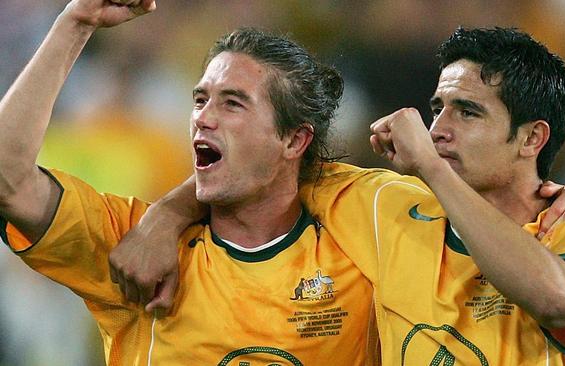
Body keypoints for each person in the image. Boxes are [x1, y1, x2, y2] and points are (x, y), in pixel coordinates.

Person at [107, 27, 565, 366]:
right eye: (439, 108)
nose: (439, 128)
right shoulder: (388, 208)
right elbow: (266, 164)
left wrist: (432, 169)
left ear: (532, 138)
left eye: (468, 112)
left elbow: (560, 300)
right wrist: (164, 216)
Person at [0, 0, 383, 364]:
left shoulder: (364, 247)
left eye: (233, 103)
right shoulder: (134, 253)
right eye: (200, 100)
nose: (203, 117)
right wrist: (76, 24)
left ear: (294, 140)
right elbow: (8, 179)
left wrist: (170, 211)